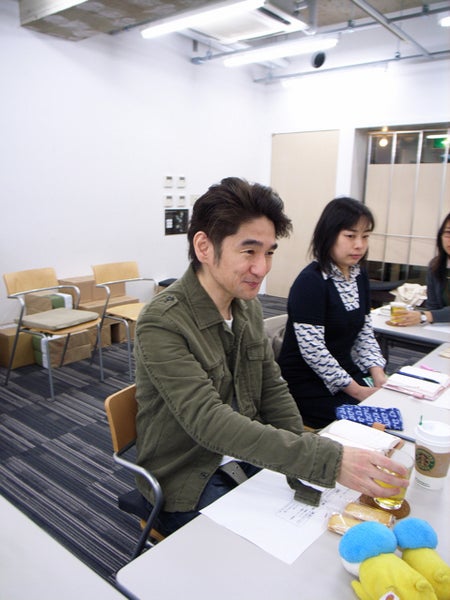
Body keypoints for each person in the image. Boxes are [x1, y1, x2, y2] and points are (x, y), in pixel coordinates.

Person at [134, 179, 407, 537]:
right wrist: (326, 459)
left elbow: (272, 388)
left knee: (327, 528)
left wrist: (304, 464)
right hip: (189, 475)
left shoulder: (245, 307)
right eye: (249, 251)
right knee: (264, 552)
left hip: (248, 456)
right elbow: (208, 421)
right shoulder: (163, 322)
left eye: (269, 252)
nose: (262, 269)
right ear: (204, 247)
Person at [278, 197, 387, 429]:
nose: (359, 245)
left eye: (365, 236)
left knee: (389, 405)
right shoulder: (311, 282)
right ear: (329, 235)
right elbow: (314, 351)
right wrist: (357, 391)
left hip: (344, 374)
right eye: (350, 236)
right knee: (369, 422)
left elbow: (364, 333)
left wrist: (378, 375)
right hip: (308, 383)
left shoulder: (359, 276)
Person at [389, 212, 450, 326]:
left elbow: (430, 314)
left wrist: (425, 316)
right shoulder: (435, 266)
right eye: (448, 233)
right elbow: (432, 306)